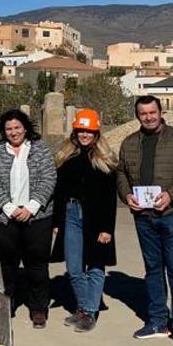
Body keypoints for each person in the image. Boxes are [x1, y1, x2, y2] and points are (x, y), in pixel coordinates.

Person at [116, 94, 173, 346]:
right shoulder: (130, 142)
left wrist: (171, 194)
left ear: (160, 111)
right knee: (153, 269)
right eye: (143, 114)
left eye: (152, 112)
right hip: (144, 217)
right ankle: (157, 321)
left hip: (172, 214)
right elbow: (121, 172)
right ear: (137, 116)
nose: (149, 117)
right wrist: (126, 195)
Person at [0, 109, 56, 328]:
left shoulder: (40, 149)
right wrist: (9, 208)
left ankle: (38, 307)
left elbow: (49, 178)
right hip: (4, 217)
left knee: (37, 264)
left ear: (25, 128)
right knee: (7, 263)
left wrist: (31, 207)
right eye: (9, 129)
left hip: (37, 217)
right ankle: (8, 303)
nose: (13, 132)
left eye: (17, 127)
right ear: (3, 131)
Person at [50, 108, 118, 333]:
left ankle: (88, 312)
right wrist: (57, 223)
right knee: (74, 266)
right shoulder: (66, 158)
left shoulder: (105, 161)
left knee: (96, 264)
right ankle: (84, 307)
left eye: (88, 131)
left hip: (96, 218)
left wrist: (107, 228)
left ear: (96, 133)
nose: (84, 135)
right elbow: (59, 193)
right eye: (81, 131)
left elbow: (110, 199)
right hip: (71, 214)